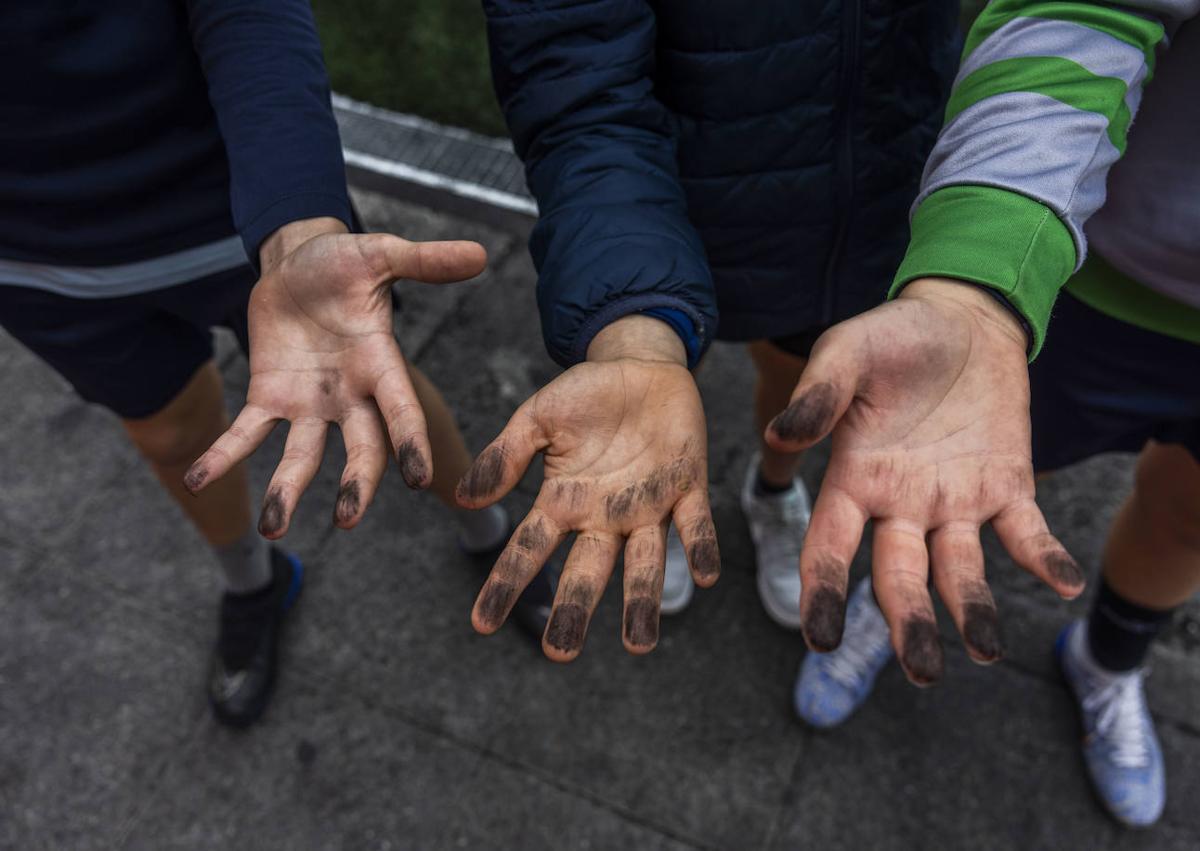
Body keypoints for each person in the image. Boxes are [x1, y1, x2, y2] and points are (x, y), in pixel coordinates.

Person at [463, 0, 1087, 663]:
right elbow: (575, 73)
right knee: (665, 364)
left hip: (874, 180)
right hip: (681, 186)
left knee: (806, 376)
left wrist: (973, 287)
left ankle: (772, 486)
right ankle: (671, 489)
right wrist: (633, 333)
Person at [0, 1, 553, 728]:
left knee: (375, 393)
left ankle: (488, 530)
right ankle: (253, 584)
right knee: (169, 434)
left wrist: (298, 228)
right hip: (33, 263)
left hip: (226, 198)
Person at [789, 0, 1200, 827]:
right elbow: (1086, 11)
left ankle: (1108, 660)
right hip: (1094, 269)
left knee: (1193, 522)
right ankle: (891, 592)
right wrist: (977, 277)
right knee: (982, 472)